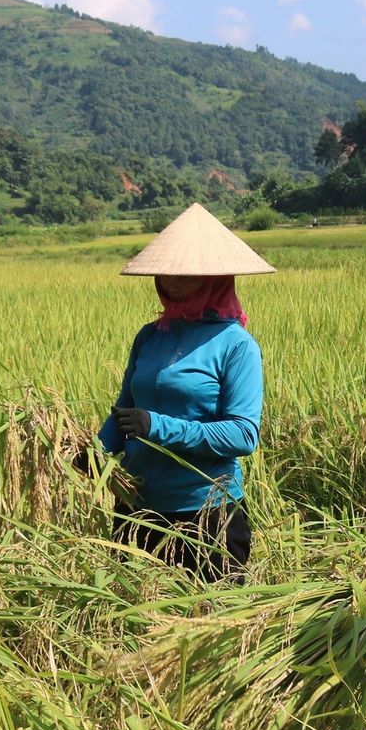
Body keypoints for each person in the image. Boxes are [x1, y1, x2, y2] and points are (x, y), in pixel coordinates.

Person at [98, 203, 274, 580]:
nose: (171, 282)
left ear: (214, 278)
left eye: (185, 274)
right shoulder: (150, 335)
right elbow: (126, 408)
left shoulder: (236, 345)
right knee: (136, 624)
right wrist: (92, 451)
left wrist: (157, 426)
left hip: (205, 514)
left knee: (213, 625)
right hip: (137, 506)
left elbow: (244, 434)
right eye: (166, 273)